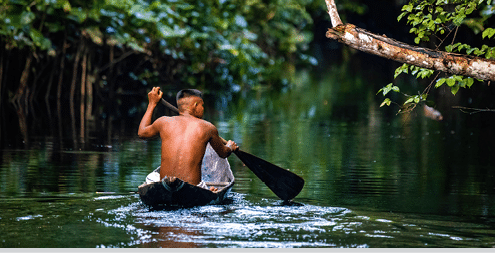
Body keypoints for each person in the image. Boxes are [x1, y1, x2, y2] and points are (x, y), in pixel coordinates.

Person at [137, 87, 239, 191]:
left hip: (165, 187)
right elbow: (223, 153)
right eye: (202, 105)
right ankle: (208, 191)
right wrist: (230, 147)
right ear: (195, 105)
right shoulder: (208, 127)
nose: (203, 108)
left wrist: (152, 104)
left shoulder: (163, 121)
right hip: (192, 190)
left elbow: (142, 133)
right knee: (209, 190)